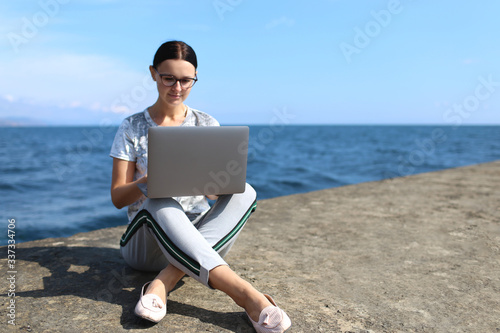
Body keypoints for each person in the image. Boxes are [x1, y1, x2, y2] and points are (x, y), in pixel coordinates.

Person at [109, 40, 291, 332]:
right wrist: (146, 182)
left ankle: (163, 281)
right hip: (146, 244)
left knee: (246, 191)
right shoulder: (132, 127)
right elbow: (118, 197)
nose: (177, 87)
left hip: (200, 237)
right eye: (169, 78)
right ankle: (245, 294)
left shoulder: (206, 123)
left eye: (186, 80)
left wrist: (216, 187)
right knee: (158, 200)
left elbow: (213, 193)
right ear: (153, 73)